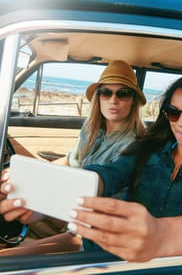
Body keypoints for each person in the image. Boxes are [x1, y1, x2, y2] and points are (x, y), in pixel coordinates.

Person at [1, 73, 182, 262]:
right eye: (173, 112)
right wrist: (50, 197)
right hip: (100, 257)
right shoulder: (146, 152)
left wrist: (162, 235)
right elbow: (107, 176)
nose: (181, 122)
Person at [0, 59, 146, 243]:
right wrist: (29, 176)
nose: (113, 100)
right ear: (98, 97)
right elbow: (70, 161)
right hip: (67, 210)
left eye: (123, 93)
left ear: (133, 101)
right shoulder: (92, 129)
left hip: (88, 225)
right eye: (106, 92)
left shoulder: (134, 145)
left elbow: (102, 208)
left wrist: (45, 200)